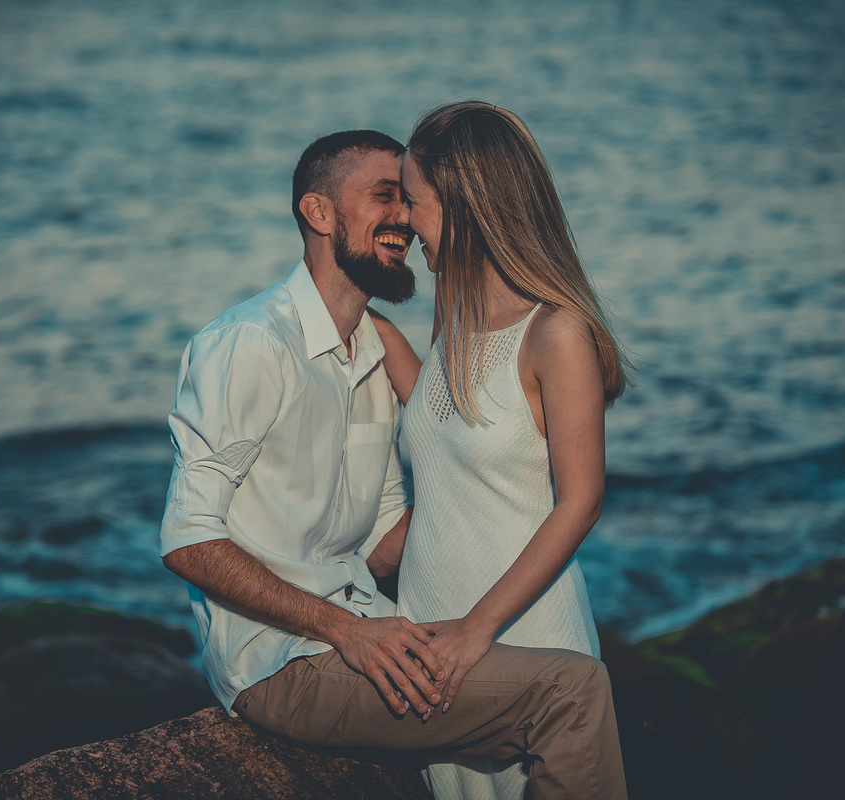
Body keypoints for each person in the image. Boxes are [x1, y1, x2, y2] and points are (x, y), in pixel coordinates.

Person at [159, 128, 627, 800]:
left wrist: (453, 599)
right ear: (319, 214)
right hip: (289, 653)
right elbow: (187, 537)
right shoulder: (252, 344)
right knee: (570, 699)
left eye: (410, 199)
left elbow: (382, 532)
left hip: (412, 621)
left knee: (562, 702)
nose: (405, 218)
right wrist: (352, 629)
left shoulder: (372, 354)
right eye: (388, 197)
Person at [368, 102, 632, 799]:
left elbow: (581, 504)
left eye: (413, 202)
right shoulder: (453, 321)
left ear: (464, 206)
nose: (402, 221)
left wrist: (477, 631)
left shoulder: (556, 334)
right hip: (433, 635)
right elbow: (447, 431)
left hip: (515, 636)